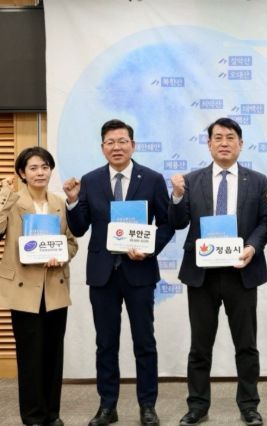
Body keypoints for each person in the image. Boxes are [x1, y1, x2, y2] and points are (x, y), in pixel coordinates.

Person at [63, 119, 174, 426]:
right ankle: (107, 406)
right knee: (106, 343)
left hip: (139, 272)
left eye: (122, 141)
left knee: (144, 342)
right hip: (103, 274)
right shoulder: (90, 180)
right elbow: (79, 228)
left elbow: (167, 223)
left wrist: (150, 248)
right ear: (102, 148)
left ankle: (147, 406)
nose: (117, 147)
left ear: (133, 145)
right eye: (110, 142)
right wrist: (72, 201)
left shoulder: (151, 179)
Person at [169, 117, 267, 426]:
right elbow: (178, 222)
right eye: (218, 137)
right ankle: (198, 405)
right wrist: (177, 196)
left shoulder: (257, 180)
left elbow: (264, 223)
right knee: (200, 346)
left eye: (230, 137)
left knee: (246, 345)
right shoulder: (192, 180)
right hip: (202, 274)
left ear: (241, 143)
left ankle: (249, 405)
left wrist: (252, 247)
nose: (224, 143)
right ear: (209, 144)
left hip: (242, 271)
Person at [0, 148, 78, 426]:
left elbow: (71, 242)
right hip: (24, 289)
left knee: (53, 354)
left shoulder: (59, 202)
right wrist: (4, 195)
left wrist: (62, 255)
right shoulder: (12, 200)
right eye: (33, 168)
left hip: (54, 285)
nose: (40, 172)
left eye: (45, 167)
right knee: (30, 355)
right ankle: (33, 416)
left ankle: (52, 413)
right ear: (22, 173)